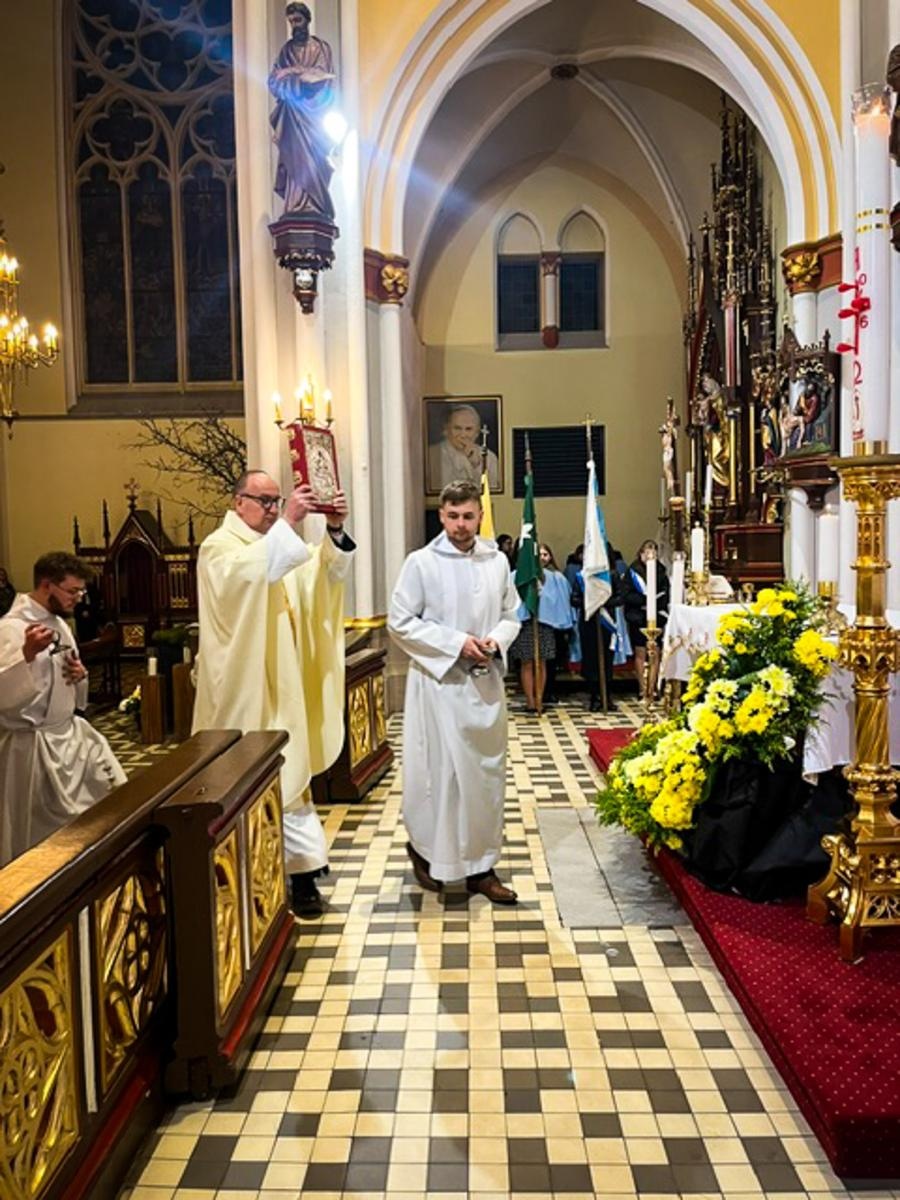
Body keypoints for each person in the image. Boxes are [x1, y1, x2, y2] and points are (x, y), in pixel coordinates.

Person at [192, 470, 355, 918]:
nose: (269, 509)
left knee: (292, 777)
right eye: (261, 501)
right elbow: (246, 578)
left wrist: (333, 529)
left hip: (281, 686)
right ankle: (235, 879)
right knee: (243, 786)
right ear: (236, 500)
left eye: (274, 501)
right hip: (243, 691)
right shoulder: (219, 549)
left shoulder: (277, 545)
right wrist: (287, 520)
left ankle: (303, 877)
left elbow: (322, 576)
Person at [388, 479, 520, 904]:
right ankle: (431, 855)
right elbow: (400, 621)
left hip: (483, 687)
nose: (461, 525)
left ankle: (482, 867)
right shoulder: (421, 563)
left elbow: (511, 613)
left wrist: (495, 642)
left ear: (480, 515)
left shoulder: (496, 561)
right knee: (441, 777)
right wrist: (455, 644)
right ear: (441, 516)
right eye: (452, 517)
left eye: (468, 516)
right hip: (439, 686)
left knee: (485, 778)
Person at [0, 552, 126, 866]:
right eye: (72, 591)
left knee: (101, 805)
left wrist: (80, 677)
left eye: (81, 592)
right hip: (32, 746)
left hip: (68, 736)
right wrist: (27, 654)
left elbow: (72, 679)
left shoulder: (59, 624)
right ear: (46, 585)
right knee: (39, 837)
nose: (79, 599)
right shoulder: (10, 630)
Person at [268, 2, 337, 220]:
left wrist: (292, 73)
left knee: (315, 161)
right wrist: (293, 81)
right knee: (293, 161)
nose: (294, 26)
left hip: (314, 117)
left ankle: (314, 204)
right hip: (292, 119)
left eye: (297, 20)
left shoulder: (321, 48)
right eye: (290, 22)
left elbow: (323, 79)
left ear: (307, 20)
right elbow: (273, 82)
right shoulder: (286, 51)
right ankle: (296, 201)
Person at [509, 543, 572, 712]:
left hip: (545, 624)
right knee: (527, 663)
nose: (540, 558)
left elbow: (559, 601)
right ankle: (530, 700)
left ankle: (539, 699)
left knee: (542, 663)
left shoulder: (554, 578)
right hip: (525, 625)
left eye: (544, 554)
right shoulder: (515, 576)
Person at [570, 540, 625, 712]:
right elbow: (574, 599)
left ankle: (606, 695)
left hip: (607, 622)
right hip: (589, 623)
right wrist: (590, 602)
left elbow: (620, 597)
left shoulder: (613, 575)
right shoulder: (582, 576)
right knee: (590, 660)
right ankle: (593, 695)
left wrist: (603, 602)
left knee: (607, 661)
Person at [623, 540, 670, 687]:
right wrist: (644, 601)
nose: (650, 555)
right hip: (638, 616)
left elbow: (665, 593)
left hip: (657, 616)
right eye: (647, 552)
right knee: (641, 652)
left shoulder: (661, 571)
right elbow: (626, 594)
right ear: (641, 553)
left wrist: (655, 603)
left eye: (654, 552)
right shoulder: (633, 572)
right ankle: (642, 688)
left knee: (655, 652)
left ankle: (652, 687)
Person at [428, 404, 500, 492]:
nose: (463, 435)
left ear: (477, 433)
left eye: (468, 429)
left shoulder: (489, 457)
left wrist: (476, 465)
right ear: (446, 430)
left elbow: (493, 493)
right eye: (457, 428)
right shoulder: (431, 455)